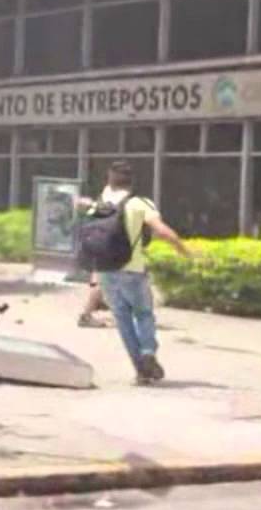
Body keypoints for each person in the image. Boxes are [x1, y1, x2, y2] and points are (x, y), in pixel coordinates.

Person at [77, 161, 190, 385]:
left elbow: (81, 208)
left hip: (106, 271)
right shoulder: (139, 203)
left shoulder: (102, 205)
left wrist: (85, 202)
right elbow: (160, 230)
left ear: (109, 181)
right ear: (132, 182)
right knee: (144, 314)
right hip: (132, 270)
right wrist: (183, 249)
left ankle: (141, 371)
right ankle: (148, 351)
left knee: (123, 320)